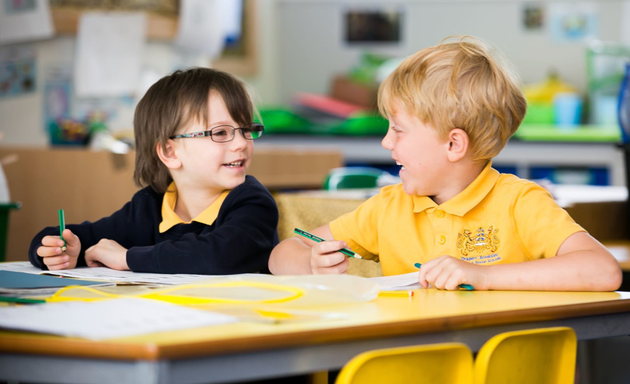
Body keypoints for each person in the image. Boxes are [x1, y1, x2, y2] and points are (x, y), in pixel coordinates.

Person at [269, 36, 622, 291]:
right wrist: (309, 262)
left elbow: (603, 271)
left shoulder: (520, 204)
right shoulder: (388, 209)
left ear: (453, 144)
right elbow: (283, 253)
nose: (386, 142)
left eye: (398, 130)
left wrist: (483, 276)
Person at [29, 67, 279, 275]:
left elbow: (219, 255)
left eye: (247, 129)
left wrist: (127, 258)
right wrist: (58, 250)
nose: (242, 143)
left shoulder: (253, 203)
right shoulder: (151, 206)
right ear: (170, 153)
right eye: (220, 132)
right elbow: (80, 236)